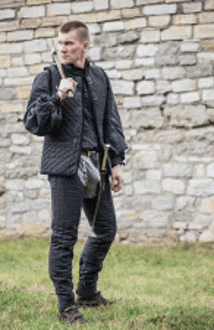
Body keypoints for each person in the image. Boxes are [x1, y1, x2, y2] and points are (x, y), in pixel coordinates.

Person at [24, 21, 127, 325]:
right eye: (60, 43)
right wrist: (57, 96)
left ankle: (87, 291)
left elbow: (111, 121)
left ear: (84, 45)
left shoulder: (98, 77)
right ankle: (67, 306)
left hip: (94, 166)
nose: (63, 48)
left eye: (69, 43)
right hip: (66, 168)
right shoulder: (49, 77)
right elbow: (34, 123)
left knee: (105, 228)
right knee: (65, 237)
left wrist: (117, 161)